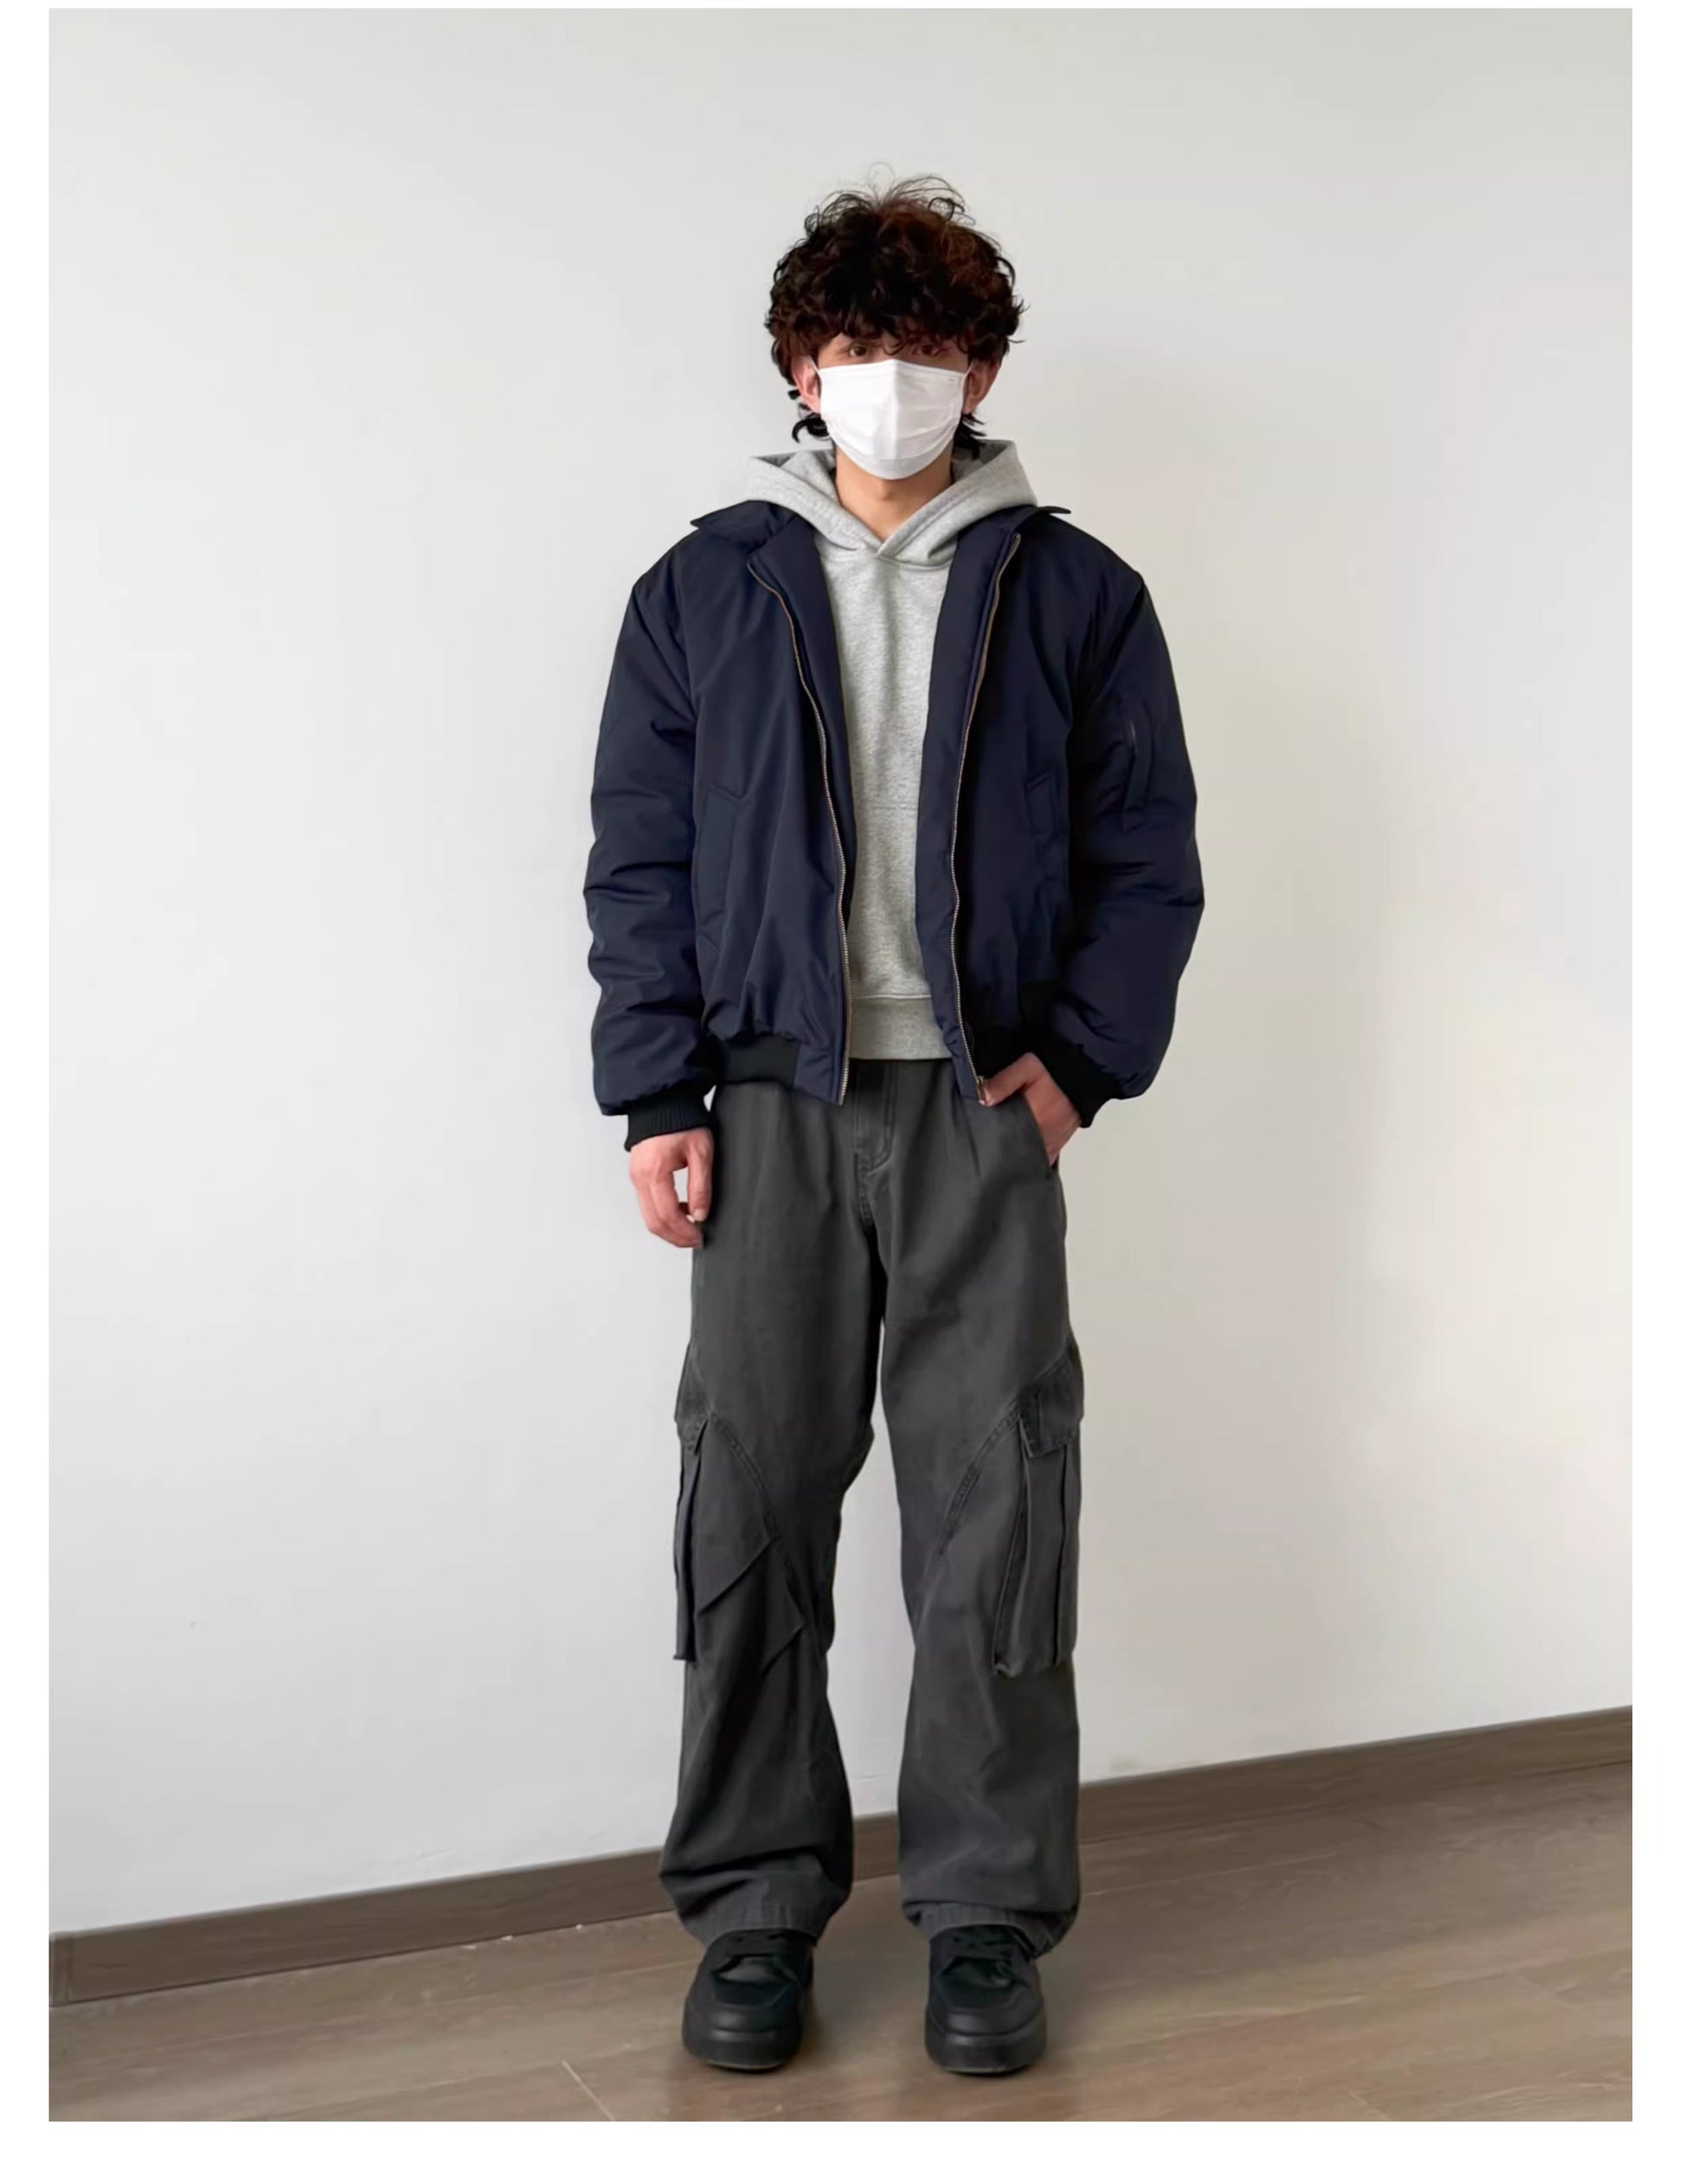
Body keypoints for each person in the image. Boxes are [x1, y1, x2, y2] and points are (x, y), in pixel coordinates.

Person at [583, 175, 1203, 2078]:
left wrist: (1078, 1063)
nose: (890, 379)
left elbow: (1146, 854)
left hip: (978, 1112)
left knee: (994, 1511)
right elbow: (641, 861)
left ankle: (985, 1914)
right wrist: (655, 1092)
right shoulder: (701, 588)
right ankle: (755, 1913)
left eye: (926, 348)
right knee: (752, 1504)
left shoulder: (1075, 594)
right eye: (856, 347)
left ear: (982, 370)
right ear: (799, 365)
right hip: (767, 1105)